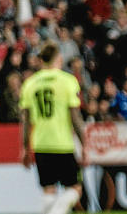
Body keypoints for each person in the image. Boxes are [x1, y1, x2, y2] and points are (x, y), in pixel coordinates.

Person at [19, 41, 86, 214]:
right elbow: (75, 117)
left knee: (48, 189)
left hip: (41, 143)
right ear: (59, 58)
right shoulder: (68, 81)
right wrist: (85, 143)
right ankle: (59, 209)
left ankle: (54, 209)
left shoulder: (30, 84)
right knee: (75, 189)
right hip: (62, 142)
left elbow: (25, 121)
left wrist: (26, 148)